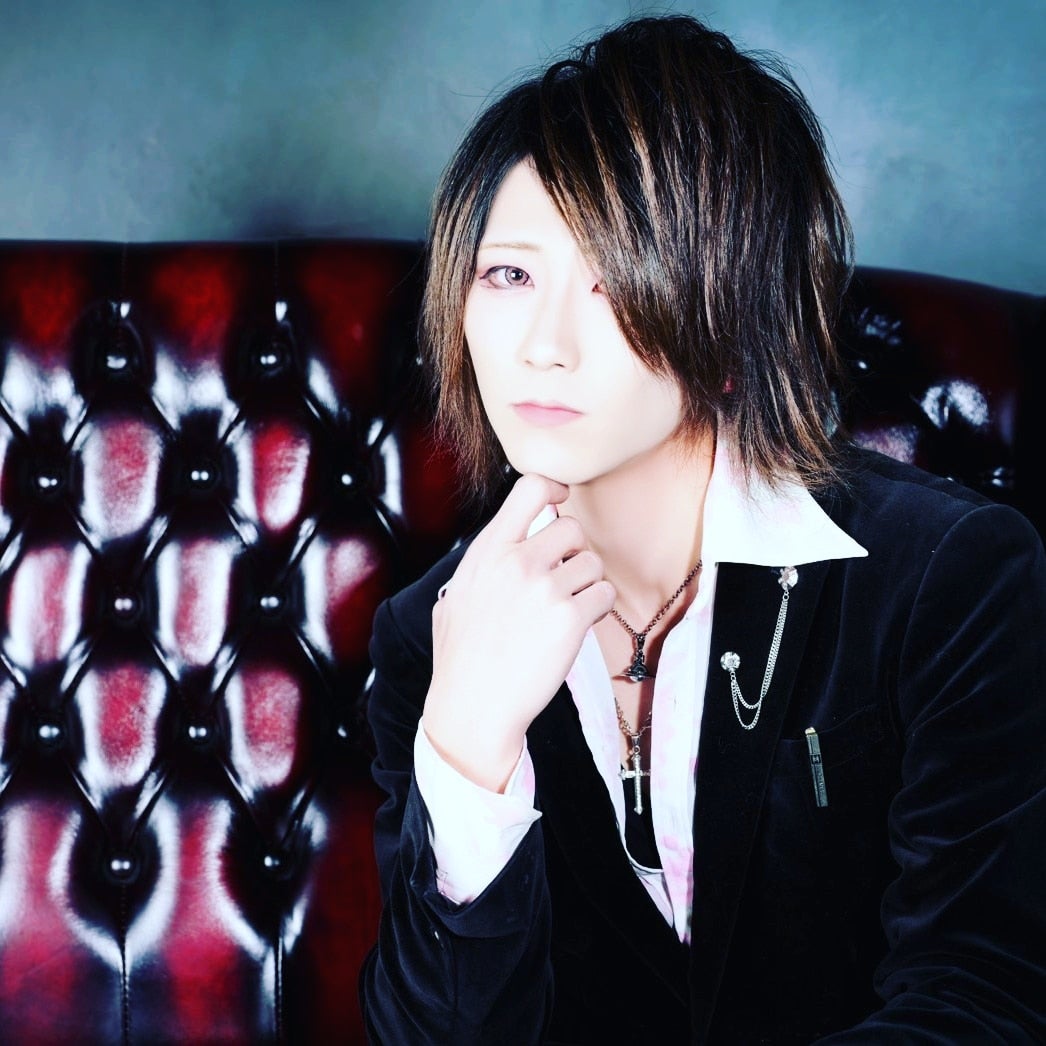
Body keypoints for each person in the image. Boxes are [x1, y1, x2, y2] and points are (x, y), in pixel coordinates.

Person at [358, 14, 1046, 1044]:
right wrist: (466, 745)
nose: (544, 344)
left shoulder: (948, 577)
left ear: (732, 316)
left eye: (613, 281)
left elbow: (982, 1001)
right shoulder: (431, 634)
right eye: (510, 275)